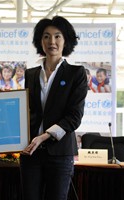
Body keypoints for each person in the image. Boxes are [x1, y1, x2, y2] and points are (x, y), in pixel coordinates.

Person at [20, 16, 88, 200]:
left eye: (57, 36)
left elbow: (74, 116)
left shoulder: (77, 73)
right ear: (40, 41)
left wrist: (44, 136)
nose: (52, 42)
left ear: (65, 40)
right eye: (46, 36)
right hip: (31, 152)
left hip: (59, 152)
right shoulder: (31, 74)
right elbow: (27, 110)